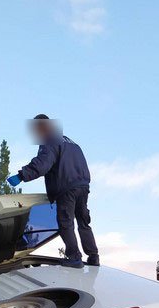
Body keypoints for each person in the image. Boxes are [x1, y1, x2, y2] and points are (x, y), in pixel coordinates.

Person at [7, 115, 99, 269]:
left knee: (65, 222)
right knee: (83, 222)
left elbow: (43, 164)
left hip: (66, 187)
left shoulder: (50, 140)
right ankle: (94, 256)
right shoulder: (71, 142)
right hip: (83, 186)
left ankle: (74, 257)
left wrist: (22, 175)